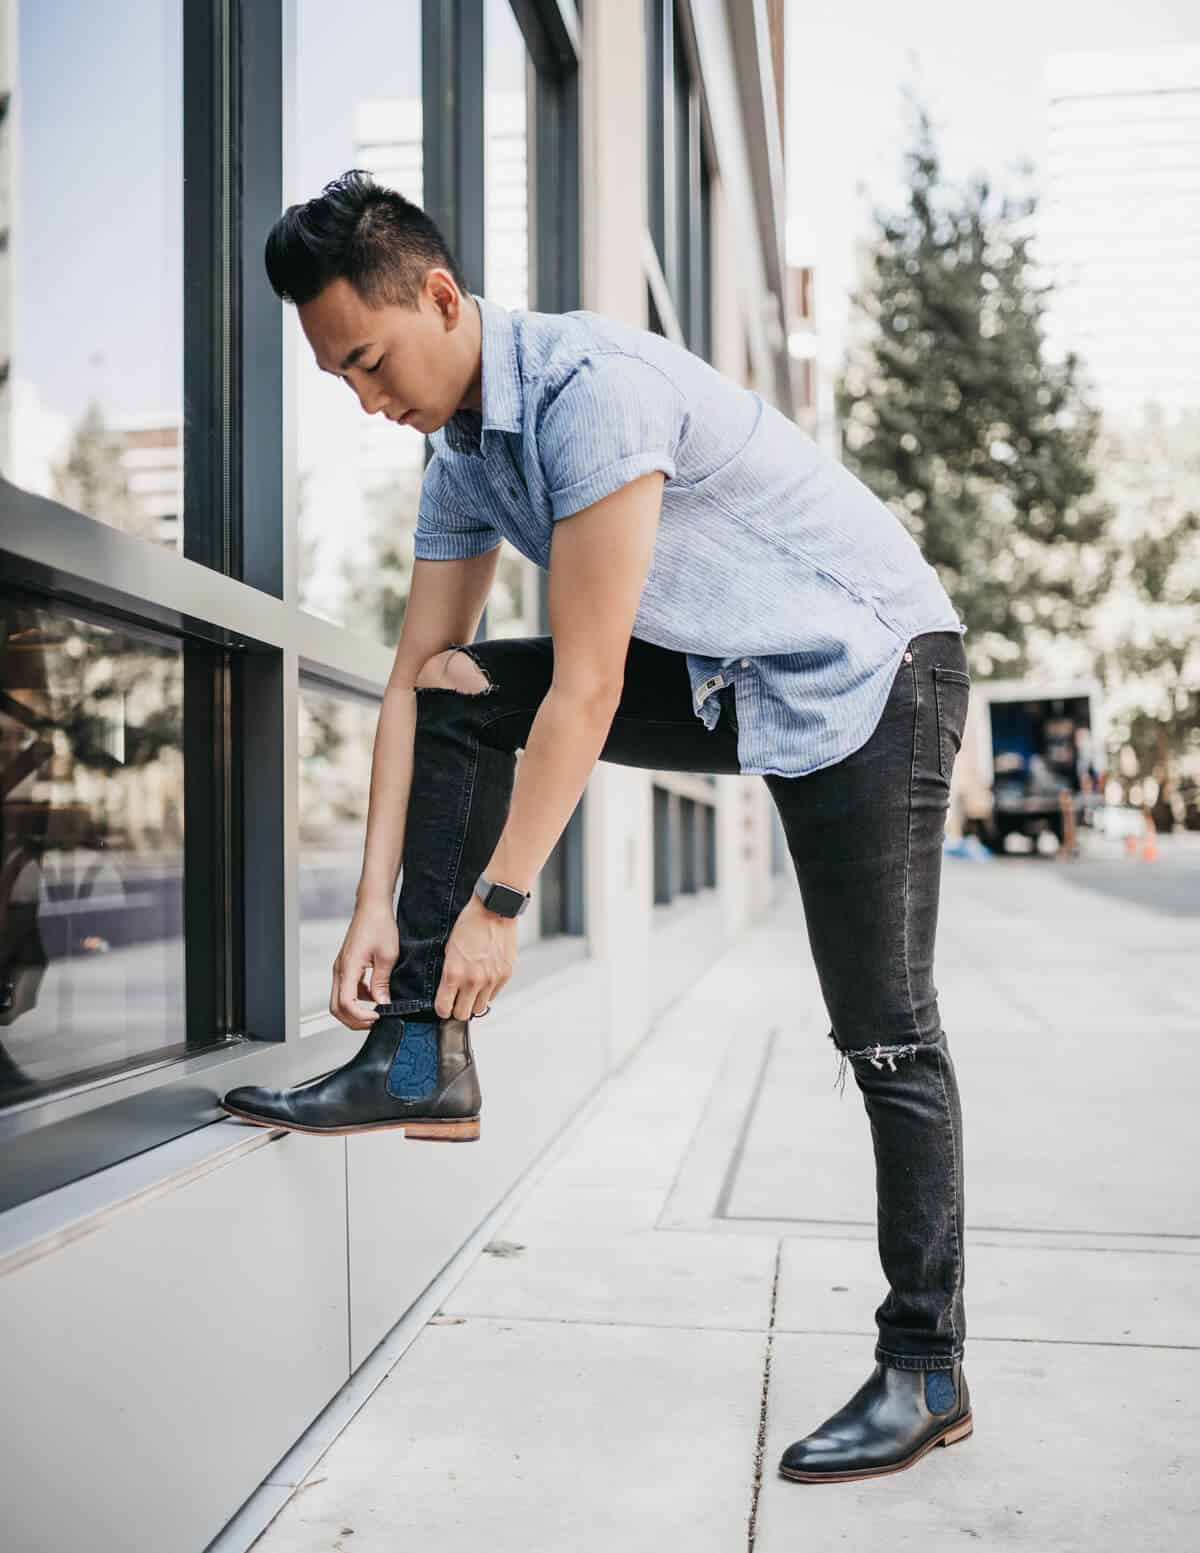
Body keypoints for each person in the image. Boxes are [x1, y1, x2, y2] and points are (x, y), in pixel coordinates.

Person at [221, 170, 973, 1484]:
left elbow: (588, 683)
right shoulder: (459, 453)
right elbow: (418, 677)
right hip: (733, 677)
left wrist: (499, 905)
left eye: (368, 359)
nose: (364, 396)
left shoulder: (590, 393)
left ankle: (925, 1363)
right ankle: (414, 1055)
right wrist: (374, 905)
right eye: (338, 377)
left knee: (887, 1030)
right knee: (458, 689)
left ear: (441, 296)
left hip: (871, 671)